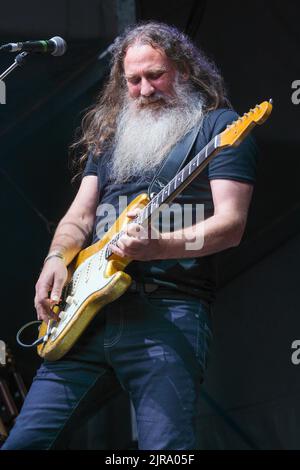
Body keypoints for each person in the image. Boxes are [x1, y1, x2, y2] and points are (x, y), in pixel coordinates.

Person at [2, 21, 257, 450]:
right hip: (84, 316)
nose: (144, 89)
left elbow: (230, 226)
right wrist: (54, 261)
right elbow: (78, 217)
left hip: (168, 310)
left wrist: (160, 246)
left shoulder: (220, 128)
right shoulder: (111, 135)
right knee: (23, 444)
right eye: (133, 80)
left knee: (165, 453)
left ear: (184, 70)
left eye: (155, 75)